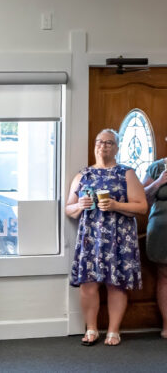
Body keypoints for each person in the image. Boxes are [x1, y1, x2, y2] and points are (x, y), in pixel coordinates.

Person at [65, 128, 146, 346]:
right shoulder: (83, 174)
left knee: (116, 284)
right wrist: (79, 205)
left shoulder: (126, 172)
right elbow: (68, 209)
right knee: (88, 285)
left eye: (109, 142)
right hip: (91, 236)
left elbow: (142, 206)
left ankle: (113, 330)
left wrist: (116, 205)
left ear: (117, 148)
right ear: (94, 145)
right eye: (100, 142)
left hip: (119, 236)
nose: (104, 146)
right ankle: (91, 329)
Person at [140, 134, 167, 339]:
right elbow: (141, 196)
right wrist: (158, 182)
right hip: (161, 230)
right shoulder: (157, 167)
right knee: (164, 276)